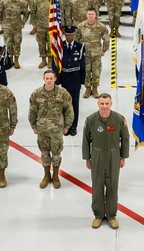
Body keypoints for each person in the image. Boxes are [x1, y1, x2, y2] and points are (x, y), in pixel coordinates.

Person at [82, 94, 129, 229]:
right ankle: (98, 215)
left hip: (113, 157)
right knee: (97, 186)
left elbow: (125, 138)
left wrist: (123, 157)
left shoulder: (119, 119)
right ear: (98, 104)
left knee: (112, 186)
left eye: (106, 104)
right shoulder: (91, 120)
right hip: (97, 156)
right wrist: (87, 158)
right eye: (102, 104)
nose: (104, 106)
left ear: (111, 104)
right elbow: (85, 140)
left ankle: (111, 216)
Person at [29, 69, 74, 189]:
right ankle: (46, 175)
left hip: (56, 129)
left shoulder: (63, 93)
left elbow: (69, 111)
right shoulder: (37, 94)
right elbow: (32, 111)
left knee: (56, 154)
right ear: (44, 79)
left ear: (55, 79)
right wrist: (34, 126)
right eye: (47, 78)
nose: (49, 81)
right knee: (44, 153)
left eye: (51, 78)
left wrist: (67, 126)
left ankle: (55, 176)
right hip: (42, 129)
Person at [57, 26, 86, 136]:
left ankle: (73, 126)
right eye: (67, 35)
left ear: (74, 35)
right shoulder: (61, 46)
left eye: (71, 35)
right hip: (64, 77)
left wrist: (82, 80)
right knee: (64, 104)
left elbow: (82, 65)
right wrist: (57, 80)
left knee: (74, 104)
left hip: (75, 78)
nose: (69, 37)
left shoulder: (80, 46)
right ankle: (66, 126)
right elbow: (57, 63)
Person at [76, 9, 109, 98]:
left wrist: (104, 50)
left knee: (96, 71)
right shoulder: (81, 26)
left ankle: (95, 88)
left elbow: (106, 38)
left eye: (92, 14)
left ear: (95, 15)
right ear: (86, 15)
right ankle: (87, 89)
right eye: (89, 14)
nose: (91, 16)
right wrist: (78, 51)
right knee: (86, 71)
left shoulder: (101, 26)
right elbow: (76, 39)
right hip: (85, 54)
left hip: (96, 54)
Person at [0, 0, 28, 68]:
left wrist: (23, 22)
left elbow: (26, 13)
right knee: (8, 44)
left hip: (17, 27)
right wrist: (1, 24)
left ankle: (17, 59)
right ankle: (10, 59)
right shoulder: (3, 1)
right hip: (7, 27)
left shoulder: (21, 1)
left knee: (17, 43)